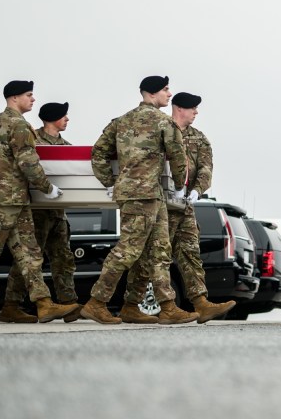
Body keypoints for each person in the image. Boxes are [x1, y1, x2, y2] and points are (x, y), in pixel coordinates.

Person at [0, 81, 78, 324]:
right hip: (4, 201)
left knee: (29, 253)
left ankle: (42, 304)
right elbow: (28, 162)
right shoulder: (19, 125)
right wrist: (47, 188)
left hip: (13, 200)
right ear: (14, 98)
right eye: (29, 95)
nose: (33, 99)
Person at [81, 75, 197, 325]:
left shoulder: (121, 122)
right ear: (153, 93)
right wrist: (180, 186)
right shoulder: (164, 122)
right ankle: (96, 303)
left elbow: (98, 151)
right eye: (166, 90)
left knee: (159, 251)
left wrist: (110, 182)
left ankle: (160, 306)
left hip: (143, 195)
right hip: (144, 196)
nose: (169, 94)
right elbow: (178, 158)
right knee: (128, 250)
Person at [122, 92, 234, 323]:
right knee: (149, 259)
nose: (196, 112)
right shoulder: (159, 128)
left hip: (184, 207)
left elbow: (205, 168)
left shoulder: (199, 138)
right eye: (192, 108)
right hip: (158, 205)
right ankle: (131, 304)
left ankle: (201, 303)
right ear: (179, 108)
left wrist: (196, 190)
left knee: (190, 254)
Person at [0, 101, 81, 323]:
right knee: (27, 262)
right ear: (53, 118)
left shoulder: (67, 146)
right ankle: (11, 305)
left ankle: (68, 304)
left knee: (63, 260)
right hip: (35, 213)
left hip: (57, 213)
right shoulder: (32, 140)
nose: (67, 119)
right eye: (63, 116)